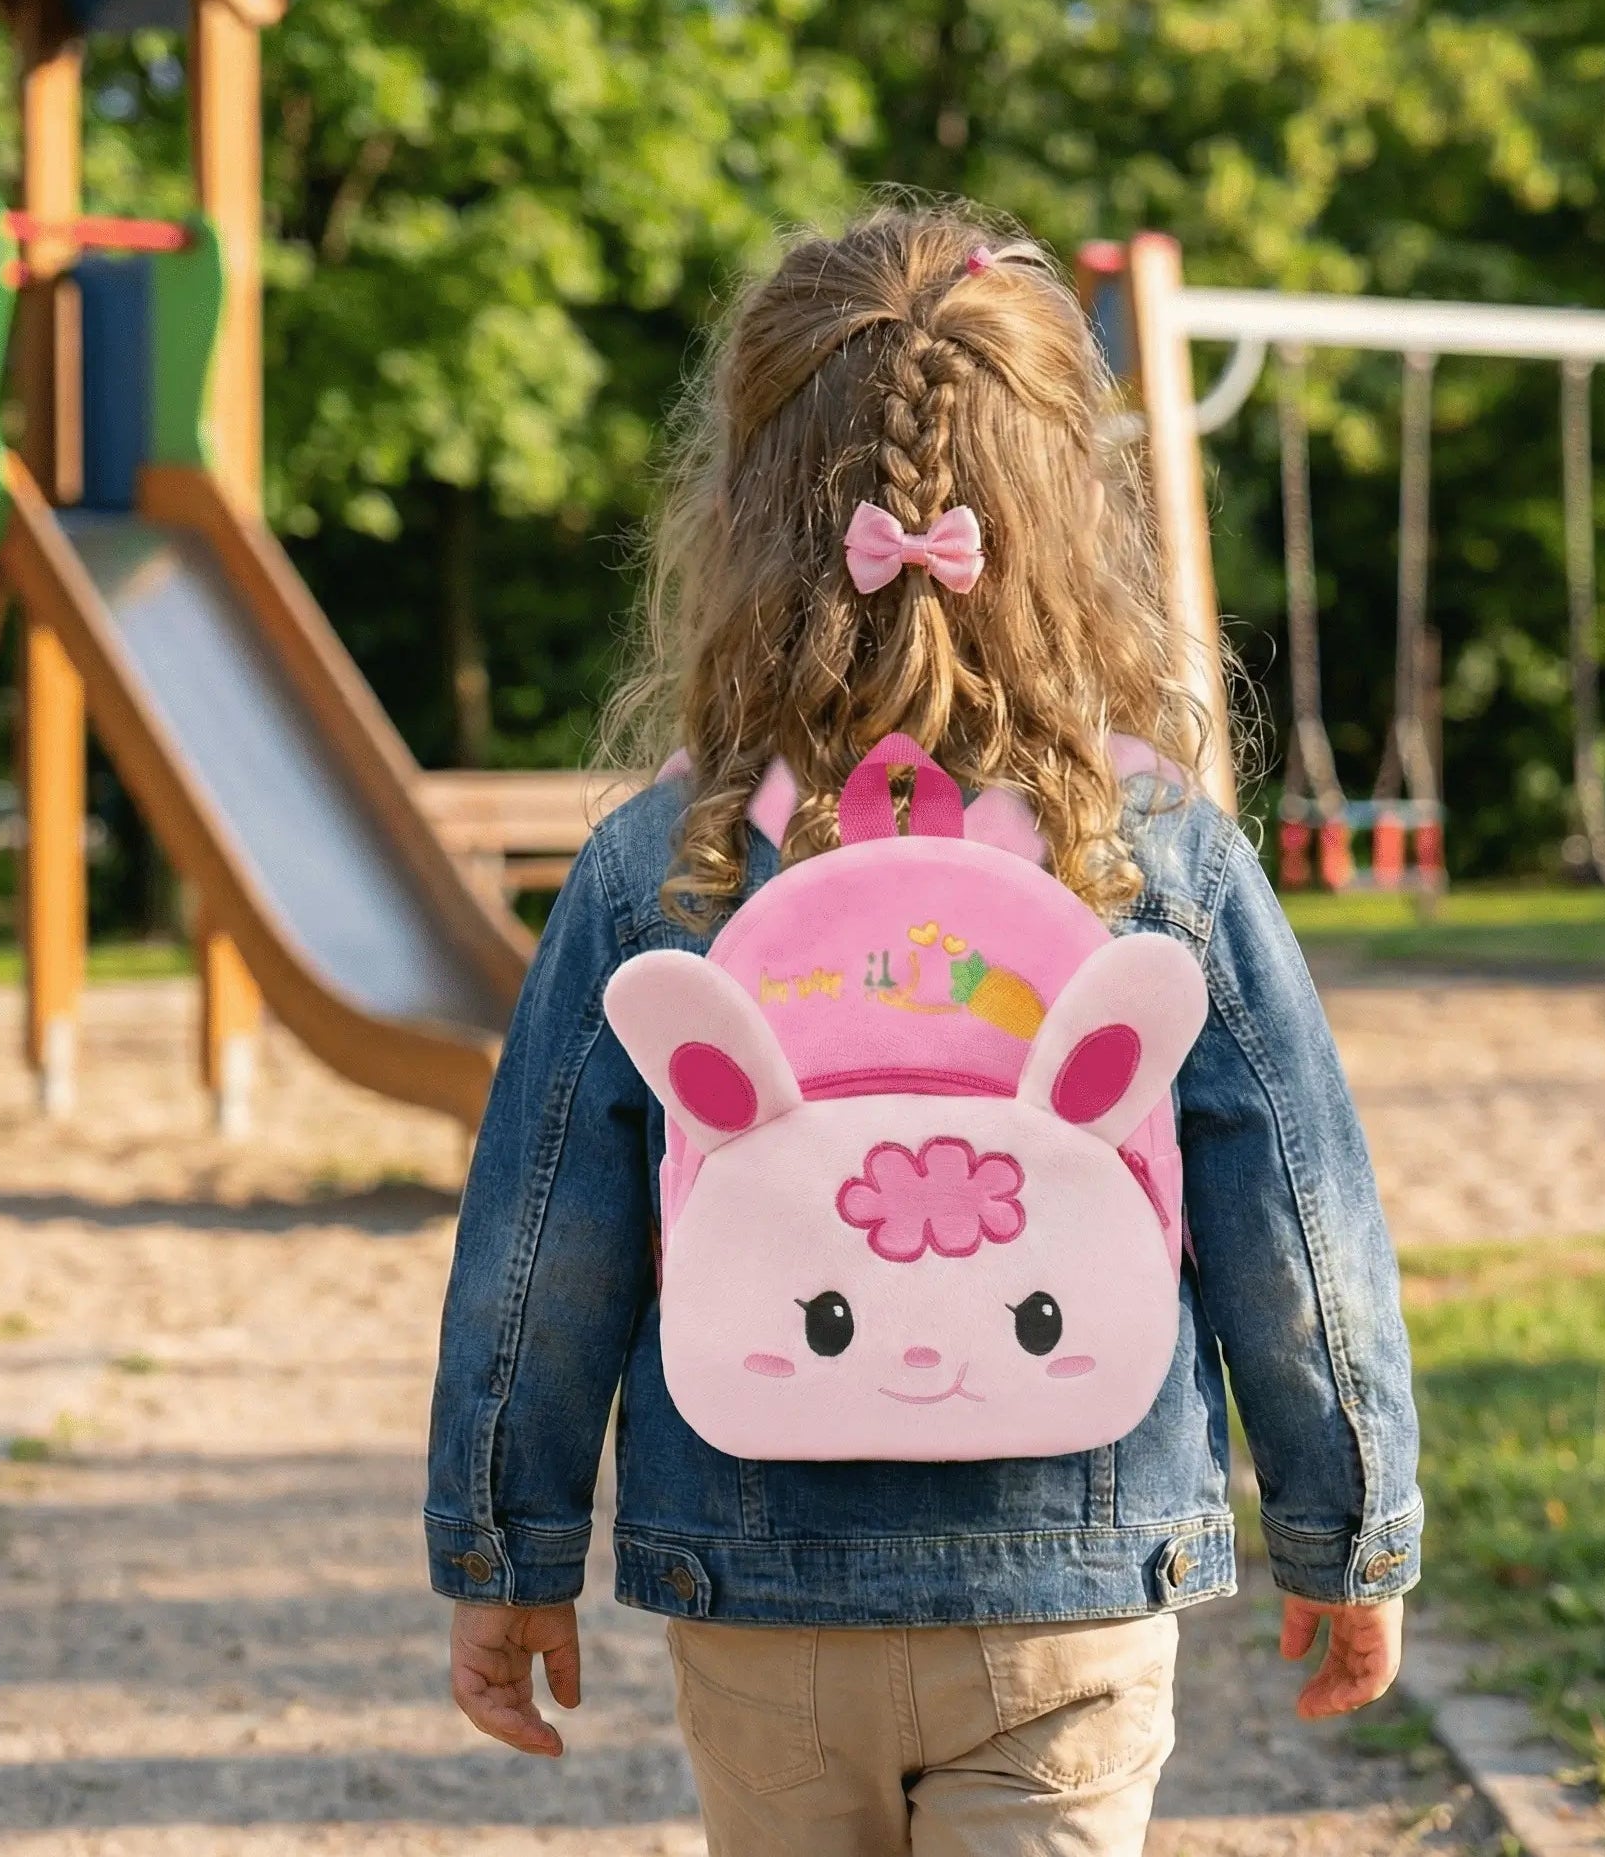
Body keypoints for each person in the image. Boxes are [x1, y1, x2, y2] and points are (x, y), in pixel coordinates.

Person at [426, 206, 1420, 1857]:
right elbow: (1297, 1219)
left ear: (745, 514)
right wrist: (1348, 1522)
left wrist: (506, 1553)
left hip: (757, 1594)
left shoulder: (660, 867)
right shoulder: (1159, 852)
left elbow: (545, 1248)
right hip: (1072, 1591)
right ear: (1070, 515)